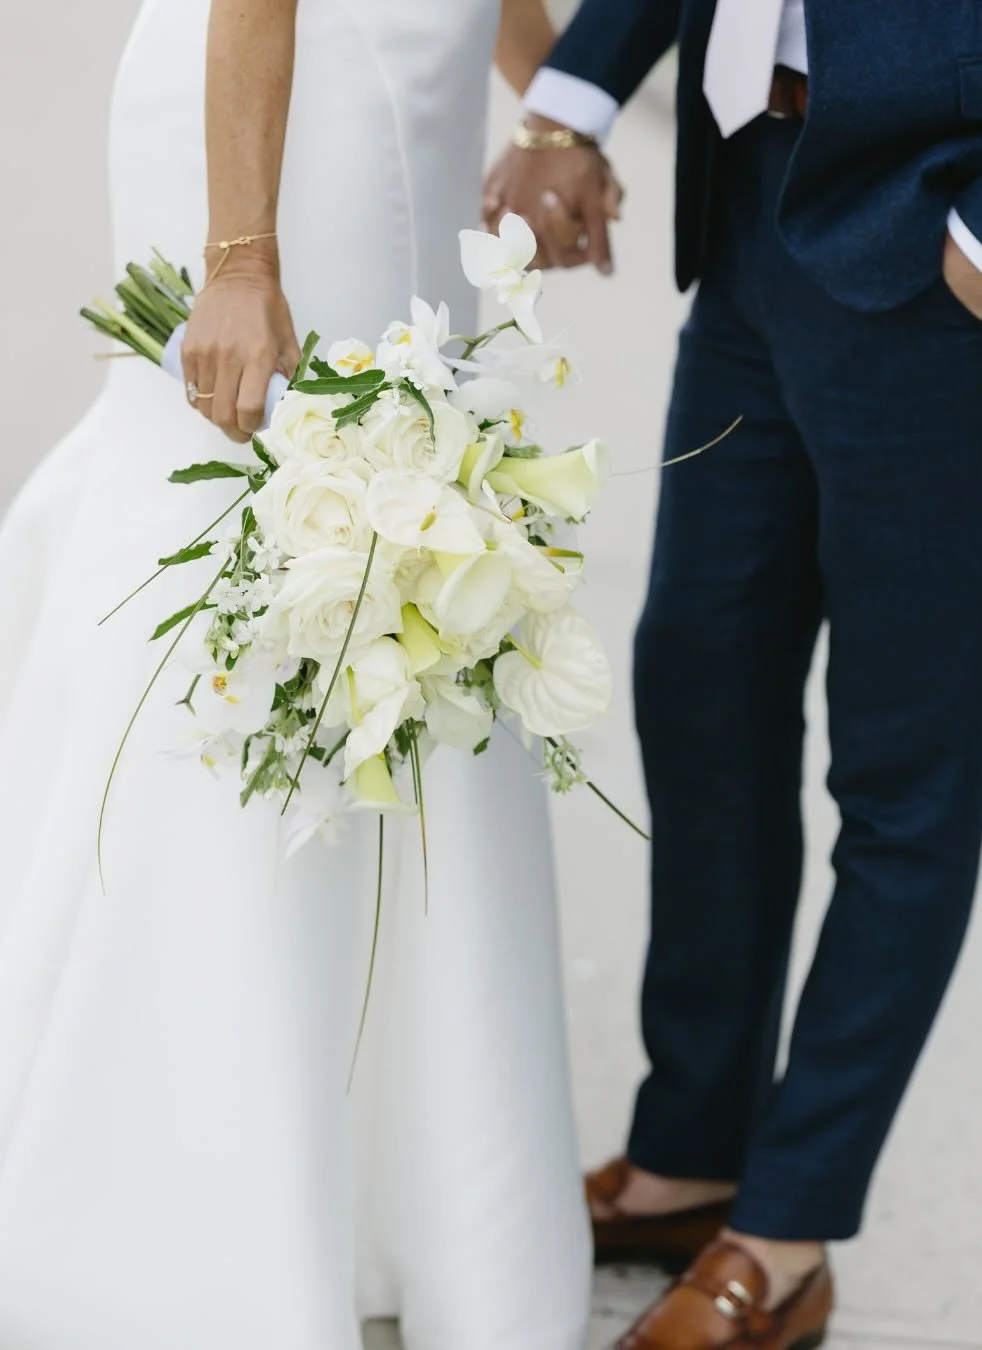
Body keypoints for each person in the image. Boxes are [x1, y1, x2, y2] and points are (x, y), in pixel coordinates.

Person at [486, 2, 982, 1347]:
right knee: (697, 678)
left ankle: (788, 1228)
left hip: (952, 233)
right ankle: (693, 1148)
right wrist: (571, 99)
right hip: (752, 192)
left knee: (899, 772)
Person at [0, 3, 593, 1348]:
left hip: (396, 91)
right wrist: (240, 254)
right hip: (291, 117)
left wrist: (562, 103)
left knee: (387, 569)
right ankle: (198, 1192)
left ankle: (374, 1160)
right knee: (301, 550)